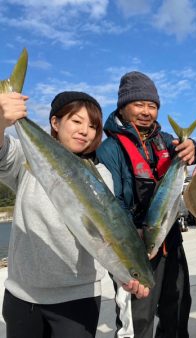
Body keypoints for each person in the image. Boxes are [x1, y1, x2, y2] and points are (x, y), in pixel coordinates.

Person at [0, 91, 148, 338]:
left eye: (92, 125)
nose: (85, 131)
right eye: (76, 121)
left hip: (77, 300)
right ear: (55, 123)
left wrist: (125, 275)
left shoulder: (101, 175)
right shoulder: (28, 157)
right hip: (22, 296)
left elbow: (107, 234)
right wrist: (2, 121)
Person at [97, 71, 194, 338]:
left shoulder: (165, 142)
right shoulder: (109, 149)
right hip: (133, 247)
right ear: (122, 106)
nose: (146, 111)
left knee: (177, 308)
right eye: (139, 104)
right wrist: (131, 235)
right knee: (137, 321)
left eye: (152, 106)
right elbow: (110, 204)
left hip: (170, 240)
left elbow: (188, 153)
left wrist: (192, 147)